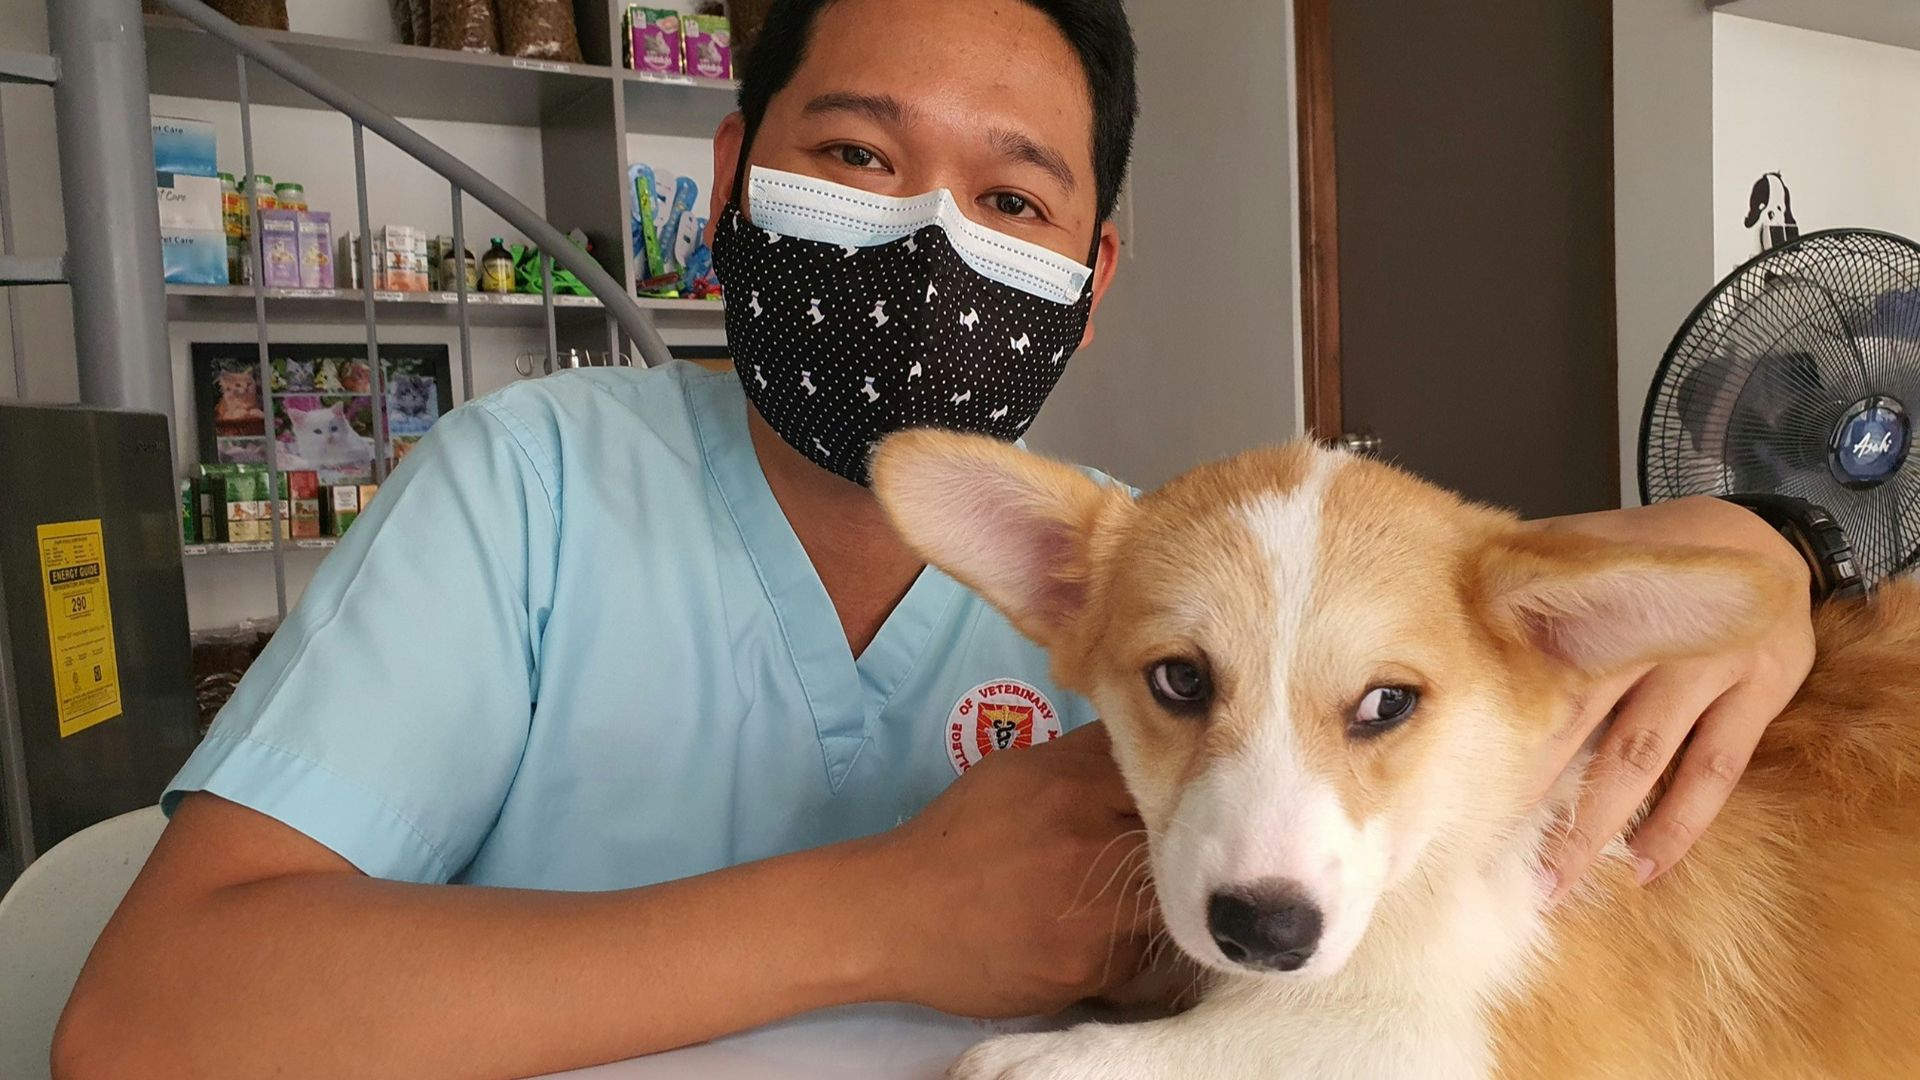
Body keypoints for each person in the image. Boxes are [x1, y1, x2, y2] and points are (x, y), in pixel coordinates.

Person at [53, 0, 1816, 1076]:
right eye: (853, 153)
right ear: (730, 182)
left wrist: (1786, 551)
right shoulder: (529, 488)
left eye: (1012, 195)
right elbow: (150, 1030)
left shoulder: (1155, 576)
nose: (926, 237)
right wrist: (882, 915)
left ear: (1091, 277)